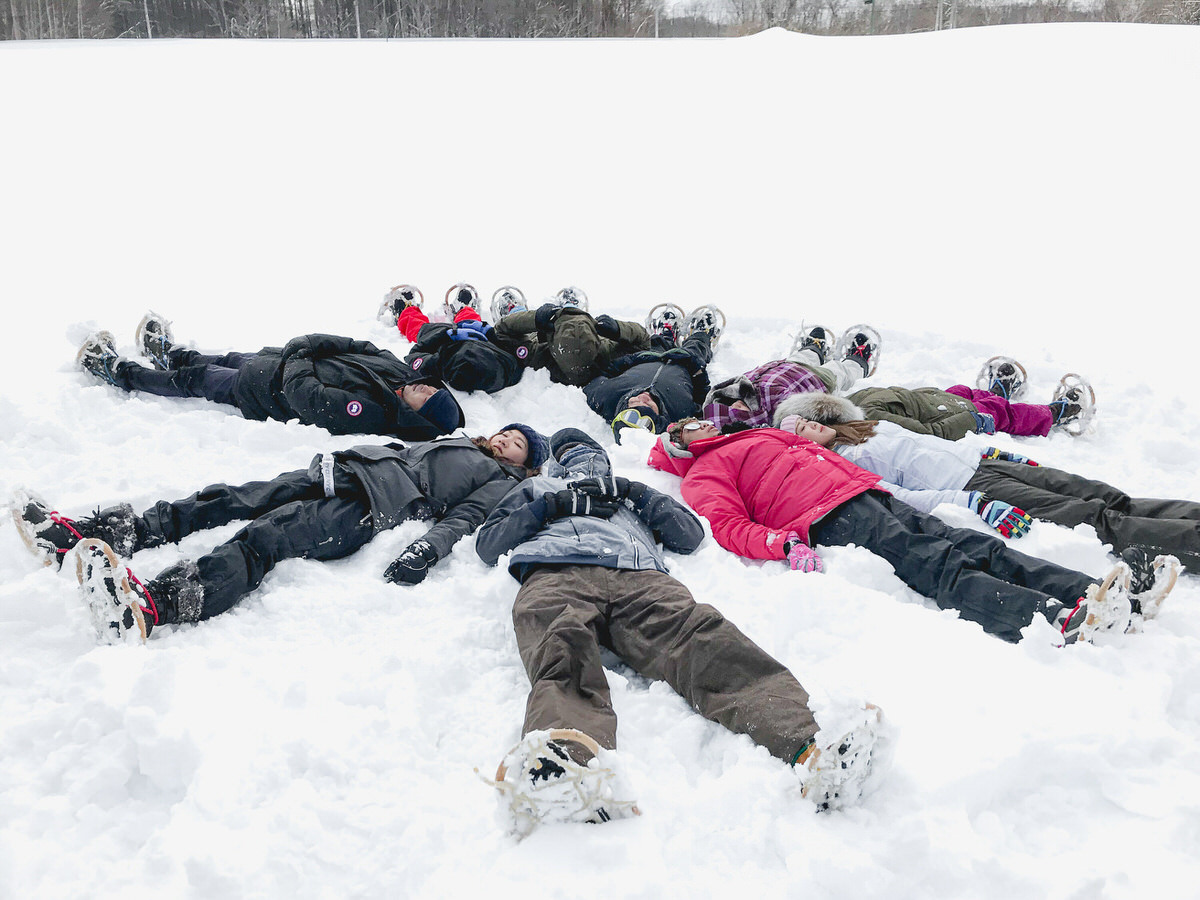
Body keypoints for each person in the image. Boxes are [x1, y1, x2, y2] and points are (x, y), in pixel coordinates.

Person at [473, 428, 886, 831]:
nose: (581, 462)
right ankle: (565, 765)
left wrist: (633, 493)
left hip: (637, 574)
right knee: (560, 647)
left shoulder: (624, 490)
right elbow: (489, 543)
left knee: (700, 637)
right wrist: (551, 505)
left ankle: (810, 741)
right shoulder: (535, 488)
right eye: (569, 454)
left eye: (587, 452)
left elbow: (689, 535)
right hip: (554, 570)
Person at [12, 424, 550, 643]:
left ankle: (151, 607)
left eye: (519, 443)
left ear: (527, 464)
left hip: (371, 508)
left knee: (266, 537)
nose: (507, 440)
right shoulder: (459, 442)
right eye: (507, 432)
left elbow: (461, 521)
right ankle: (91, 535)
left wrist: (424, 550)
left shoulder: (502, 482)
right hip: (345, 473)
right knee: (229, 497)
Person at [648, 420, 1142, 646]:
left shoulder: (753, 435)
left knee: (975, 544)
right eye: (687, 426)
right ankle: (1048, 618)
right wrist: (783, 543)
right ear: (678, 446)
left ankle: (1086, 591)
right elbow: (729, 526)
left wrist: (879, 488)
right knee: (937, 564)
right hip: (829, 518)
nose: (699, 422)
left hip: (866, 494)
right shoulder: (703, 473)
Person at [767, 392, 1186, 608]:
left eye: (808, 419)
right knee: (1094, 517)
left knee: (1107, 495)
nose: (808, 426)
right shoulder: (844, 463)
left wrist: (994, 451)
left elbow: (932, 444)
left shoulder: (869, 428)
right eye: (798, 429)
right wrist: (973, 502)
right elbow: (904, 497)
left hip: (985, 463)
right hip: (975, 484)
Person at [77, 313, 465, 440]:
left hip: (264, 391)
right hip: (277, 359)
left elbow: (306, 396)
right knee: (223, 356)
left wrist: (302, 352)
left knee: (197, 378)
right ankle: (169, 354)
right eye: (433, 388)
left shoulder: (373, 413)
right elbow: (364, 347)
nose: (424, 387)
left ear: (417, 415)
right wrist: (310, 344)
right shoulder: (401, 375)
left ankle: (119, 372)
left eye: (427, 397)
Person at [822, 359, 1093, 441]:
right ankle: (1057, 413)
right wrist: (971, 421)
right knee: (1001, 412)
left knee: (963, 390)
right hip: (949, 415)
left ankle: (998, 392)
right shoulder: (869, 420)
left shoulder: (848, 403)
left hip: (935, 399)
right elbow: (928, 433)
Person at [583, 304, 723, 442]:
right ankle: (701, 335)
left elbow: (605, 371)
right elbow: (702, 398)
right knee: (696, 349)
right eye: (649, 405)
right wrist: (696, 369)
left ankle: (667, 332)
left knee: (658, 342)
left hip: (650, 357)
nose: (643, 398)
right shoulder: (679, 413)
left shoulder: (606, 396)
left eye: (635, 402)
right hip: (685, 364)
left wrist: (634, 358)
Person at [702, 324, 881, 431]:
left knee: (804, 356)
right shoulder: (774, 409)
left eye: (731, 407)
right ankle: (858, 363)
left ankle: (814, 349)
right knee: (839, 371)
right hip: (816, 379)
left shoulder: (734, 393)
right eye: (740, 412)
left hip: (785, 367)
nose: (736, 405)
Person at [383, 283, 523, 394]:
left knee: (419, 329)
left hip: (446, 339)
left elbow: (416, 355)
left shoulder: (442, 365)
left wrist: (444, 335)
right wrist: (489, 332)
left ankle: (405, 313)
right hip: (478, 338)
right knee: (470, 321)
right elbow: (513, 348)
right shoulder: (509, 370)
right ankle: (464, 310)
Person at [492, 301, 650, 387]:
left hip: (538, 339)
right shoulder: (607, 354)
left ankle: (516, 311)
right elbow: (643, 341)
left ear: (552, 342)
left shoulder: (539, 355)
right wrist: (617, 329)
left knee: (528, 332)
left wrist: (535, 319)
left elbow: (502, 330)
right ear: (596, 338)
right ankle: (572, 306)